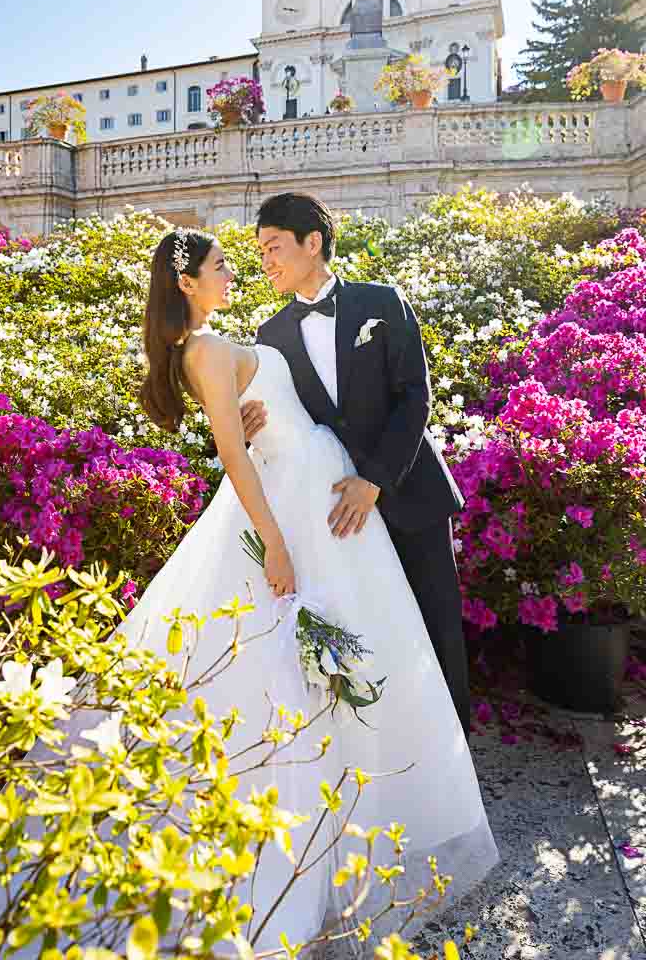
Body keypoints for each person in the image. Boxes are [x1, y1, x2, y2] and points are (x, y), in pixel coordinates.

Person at [125, 226, 496, 945]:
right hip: (294, 509)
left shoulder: (221, 340)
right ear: (186, 283)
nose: (237, 270)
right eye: (222, 264)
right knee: (309, 666)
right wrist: (274, 544)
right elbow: (233, 456)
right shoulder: (201, 347)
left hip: (321, 496)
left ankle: (373, 817)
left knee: (365, 650)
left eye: (247, 256)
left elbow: (258, 416)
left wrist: (255, 412)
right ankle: (320, 846)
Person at [247, 192, 472, 737]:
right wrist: (246, 425)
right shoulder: (269, 338)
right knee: (373, 630)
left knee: (436, 624)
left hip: (409, 492)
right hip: (337, 515)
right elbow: (281, 421)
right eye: (259, 253)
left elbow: (415, 398)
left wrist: (374, 480)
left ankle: (457, 759)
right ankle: (398, 753)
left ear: (313, 242)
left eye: (274, 246)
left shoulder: (383, 302)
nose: (266, 262)